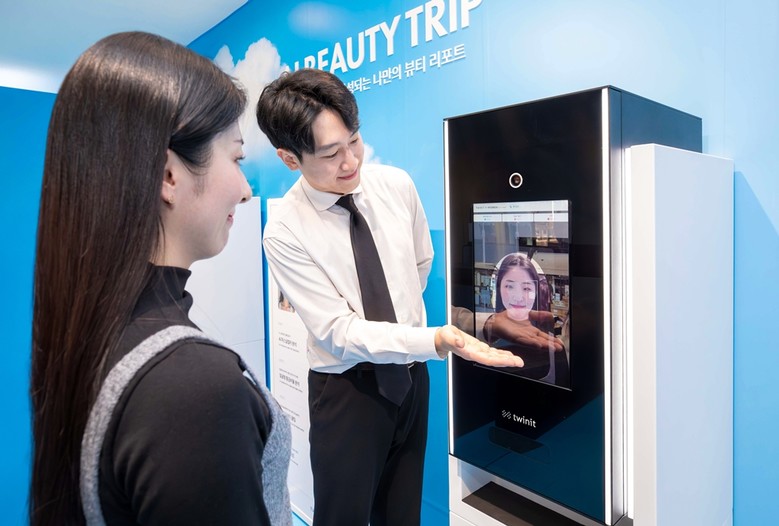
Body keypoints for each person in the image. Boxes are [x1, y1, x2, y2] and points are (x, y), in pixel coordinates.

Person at [30, 32, 291, 526]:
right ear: (168, 176)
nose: (243, 189)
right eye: (236, 158)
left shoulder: (95, 328)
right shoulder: (193, 390)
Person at [256, 68, 523, 526]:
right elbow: (337, 332)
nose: (350, 162)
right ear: (289, 159)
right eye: (331, 153)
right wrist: (433, 340)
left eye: (354, 140)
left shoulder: (395, 185)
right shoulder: (284, 231)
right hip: (347, 391)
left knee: (402, 512)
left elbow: (420, 263)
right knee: (343, 517)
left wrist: (411, 344)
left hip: (412, 377)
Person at [486, 252, 569, 386]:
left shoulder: (552, 347)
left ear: (536, 291)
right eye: (509, 286)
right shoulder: (484, 338)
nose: (518, 297)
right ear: (499, 288)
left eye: (526, 288)